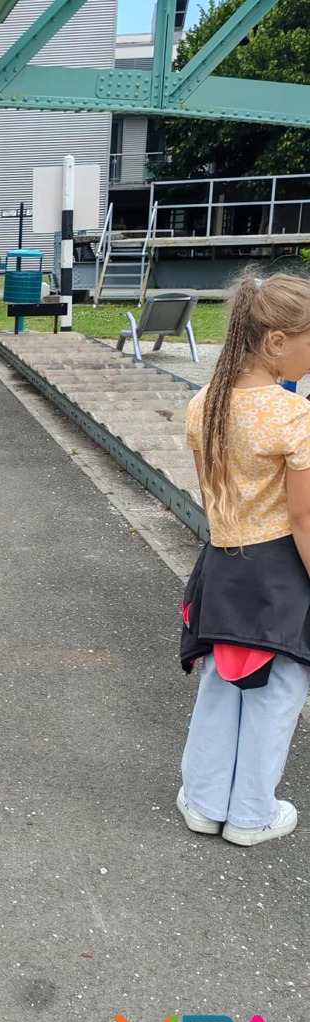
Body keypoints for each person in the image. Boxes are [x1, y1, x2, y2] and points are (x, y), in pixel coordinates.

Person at [179, 271, 310, 847]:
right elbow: (303, 519)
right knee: (276, 693)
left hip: (223, 565)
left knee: (221, 683)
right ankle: (252, 816)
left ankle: (205, 803)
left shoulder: (203, 404)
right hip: (280, 575)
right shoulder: (293, 415)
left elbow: (214, 499)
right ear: (277, 341)